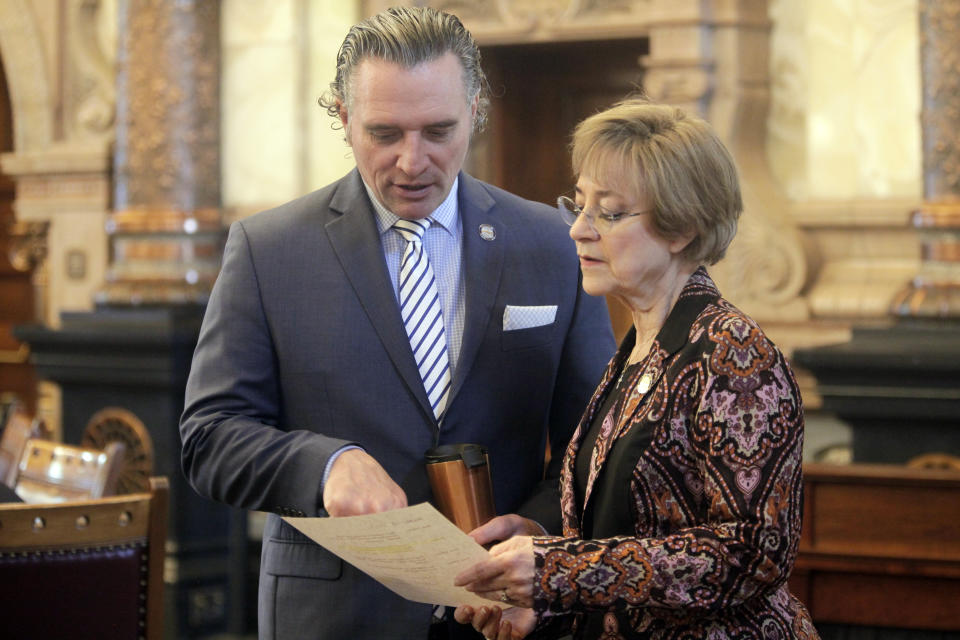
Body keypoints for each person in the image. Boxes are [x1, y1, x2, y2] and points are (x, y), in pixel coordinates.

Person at [179, 6, 615, 640]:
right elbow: (209, 437)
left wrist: (543, 529)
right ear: (342, 116)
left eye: (439, 131)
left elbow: (593, 437)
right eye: (385, 133)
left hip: (508, 612)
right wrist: (324, 467)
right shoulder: (267, 250)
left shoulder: (550, 242)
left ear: (475, 112)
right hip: (335, 618)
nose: (413, 161)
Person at [452, 99, 820, 639]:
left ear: (682, 228)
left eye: (610, 211)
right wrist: (540, 595)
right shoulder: (638, 348)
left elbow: (752, 551)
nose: (578, 230)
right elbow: (627, 539)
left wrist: (557, 572)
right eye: (577, 205)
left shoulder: (733, 351)